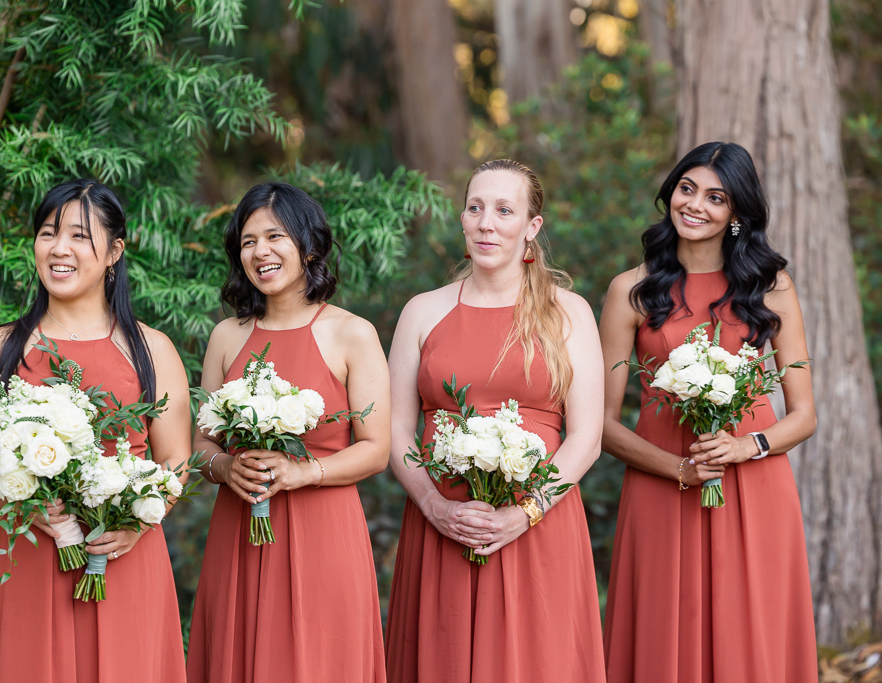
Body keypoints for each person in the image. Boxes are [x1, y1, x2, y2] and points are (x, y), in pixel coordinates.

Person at [0, 179, 191, 682]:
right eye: (47, 233)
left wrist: (137, 520)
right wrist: (17, 496)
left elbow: (175, 462)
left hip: (122, 557)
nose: (59, 248)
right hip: (25, 557)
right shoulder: (0, 348)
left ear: (114, 252)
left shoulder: (152, 350)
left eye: (80, 236)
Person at [600, 141, 818, 681]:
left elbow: (805, 413)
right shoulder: (631, 291)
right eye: (687, 188)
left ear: (737, 212)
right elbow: (601, 424)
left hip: (755, 487)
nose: (695, 204)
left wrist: (750, 445)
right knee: (662, 635)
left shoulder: (771, 289)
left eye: (715, 197)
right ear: (671, 193)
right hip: (661, 484)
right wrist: (678, 468)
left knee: (753, 638)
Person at [385, 159, 606, 682]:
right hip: (444, 524)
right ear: (462, 218)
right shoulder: (422, 311)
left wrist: (524, 514)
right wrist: (433, 504)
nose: (487, 222)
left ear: (531, 227)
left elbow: (587, 437)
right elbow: (396, 432)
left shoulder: (568, 312)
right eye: (476, 207)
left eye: (504, 210)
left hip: (539, 526)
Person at [185, 182, 389, 683]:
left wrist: (305, 472)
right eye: (248, 241)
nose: (260, 251)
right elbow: (200, 444)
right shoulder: (226, 336)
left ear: (309, 245)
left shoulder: (351, 333)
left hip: (324, 533)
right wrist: (226, 465)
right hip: (239, 532)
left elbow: (377, 448)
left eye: (274, 236)